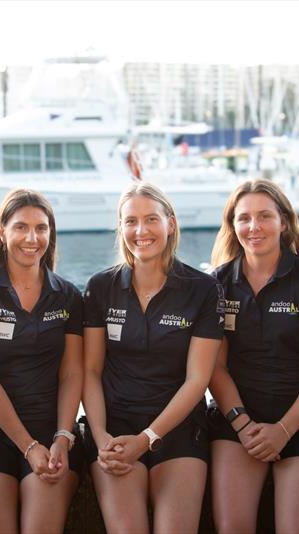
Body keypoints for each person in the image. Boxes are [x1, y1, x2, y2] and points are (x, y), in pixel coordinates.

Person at [82, 182, 223, 533]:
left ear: (170, 223)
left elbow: (198, 379)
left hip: (177, 427)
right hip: (114, 428)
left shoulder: (202, 288)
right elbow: (90, 370)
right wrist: (100, 437)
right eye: (130, 221)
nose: (141, 231)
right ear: (121, 228)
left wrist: (147, 438)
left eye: (151, 219)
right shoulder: (101, 287)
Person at [208, 179, 299, 534]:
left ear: (283, 221)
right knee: (232, 527)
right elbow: (214, 367)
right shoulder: (216, 284)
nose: (254, 227)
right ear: (232, 226)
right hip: (238, 422)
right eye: (244, 218)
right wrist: (243, 424)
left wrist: (284, 429)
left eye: (265, 216)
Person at [0, 188, 84, 534]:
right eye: (21, 227)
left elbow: (73, 373)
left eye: (41, 228)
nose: (32, 237)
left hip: (49, 427)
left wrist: (62, 437)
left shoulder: (67, 294)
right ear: (2, 231)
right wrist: (27, 446)